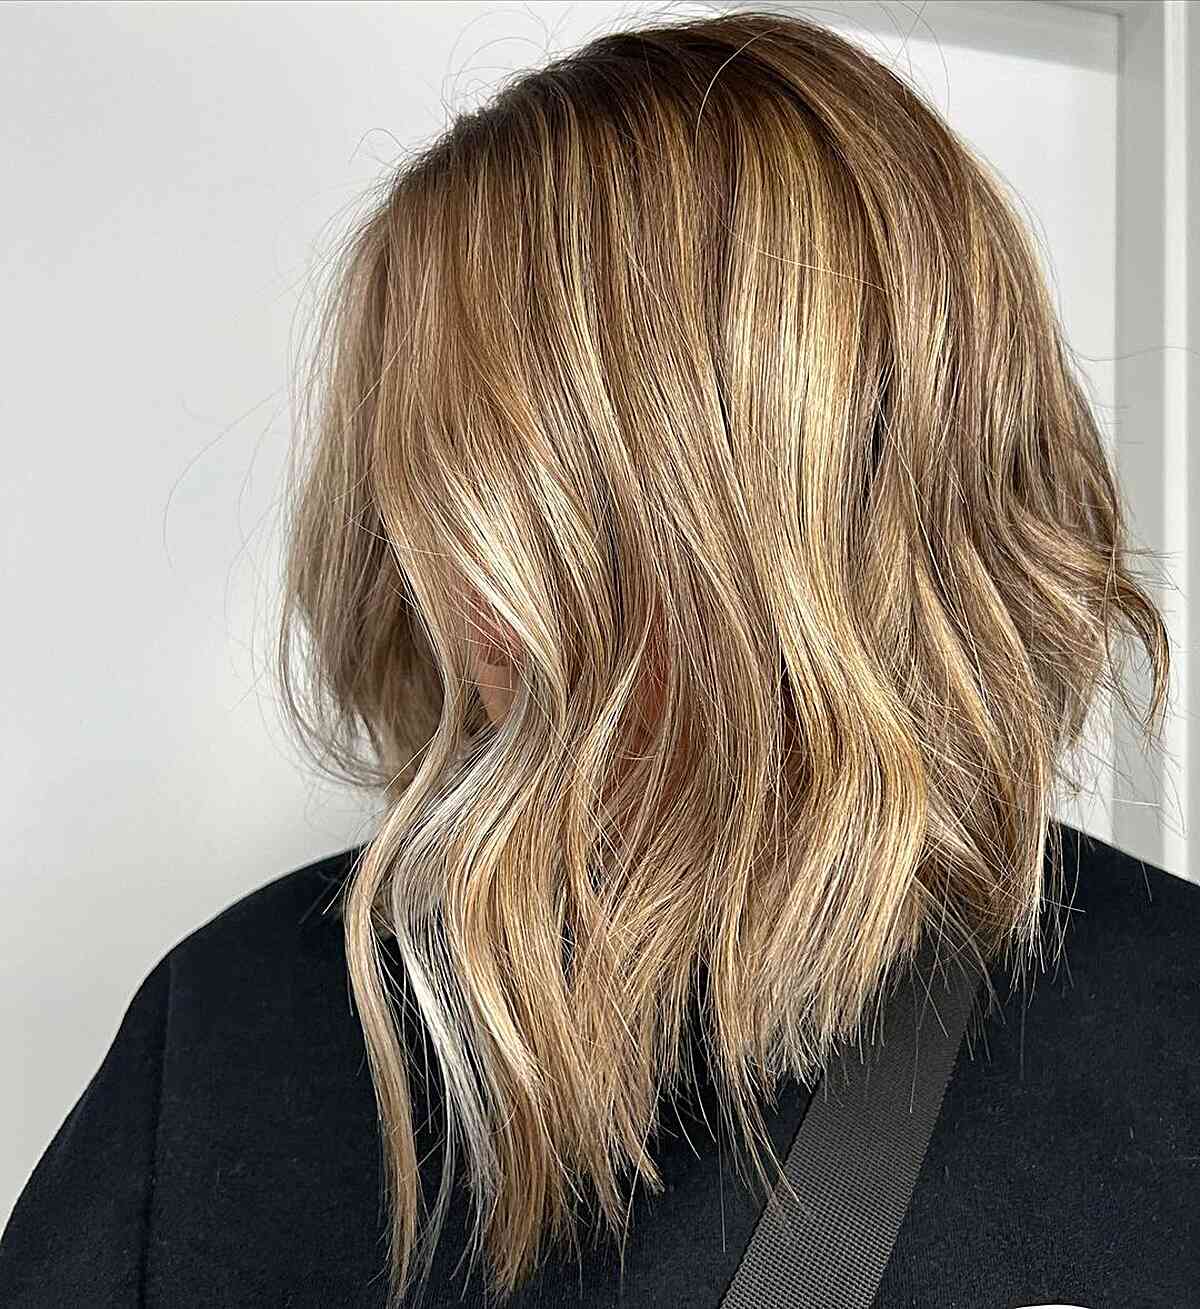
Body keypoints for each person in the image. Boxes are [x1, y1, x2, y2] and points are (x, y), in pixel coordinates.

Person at [2, 8, 1196, 1308]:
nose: (449, 575)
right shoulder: (239, 1032)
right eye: (426, 477)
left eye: (495, 475)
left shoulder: (1166, 1035)